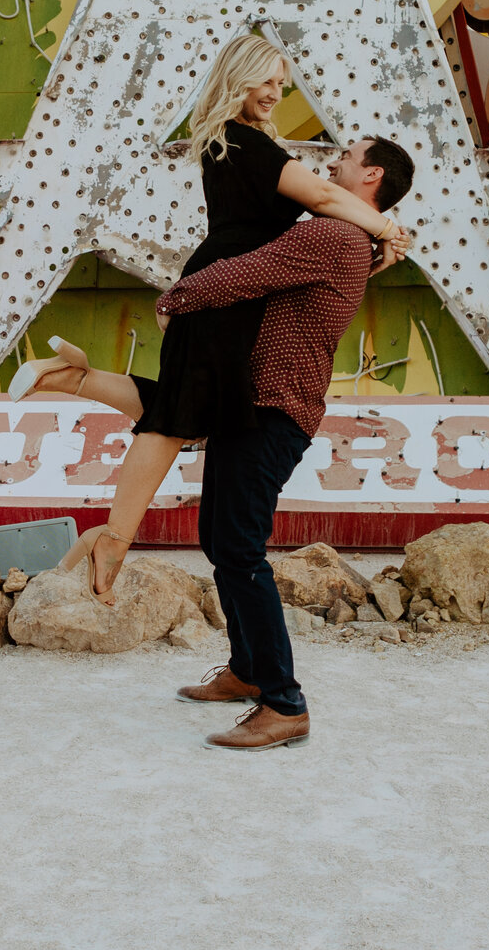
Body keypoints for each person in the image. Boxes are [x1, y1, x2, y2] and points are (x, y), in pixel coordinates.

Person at [6, 36, 411, 594]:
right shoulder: (250, 145)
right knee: (174, 421)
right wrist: (386, 227)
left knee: (188, 408)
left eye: (281, 85)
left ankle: (72, 379)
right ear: (239, 76)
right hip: (223, 286)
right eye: (266, 80)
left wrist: (375, 244)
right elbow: (321, 199)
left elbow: (318, 255)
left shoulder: (233, 141)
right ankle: (113, 541)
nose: (275, 93)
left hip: (231, 286)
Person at [163, 134, 414, 751]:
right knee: (219, 539)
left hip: (276, 410)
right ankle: (247, 669)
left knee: (240, 550)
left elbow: (245, 273)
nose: (332, 161)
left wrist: (177, 296)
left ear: (371, 175)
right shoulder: (347, 234)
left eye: (347, 157)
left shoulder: (332, 236)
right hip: (253, 406)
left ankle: (284, 702)